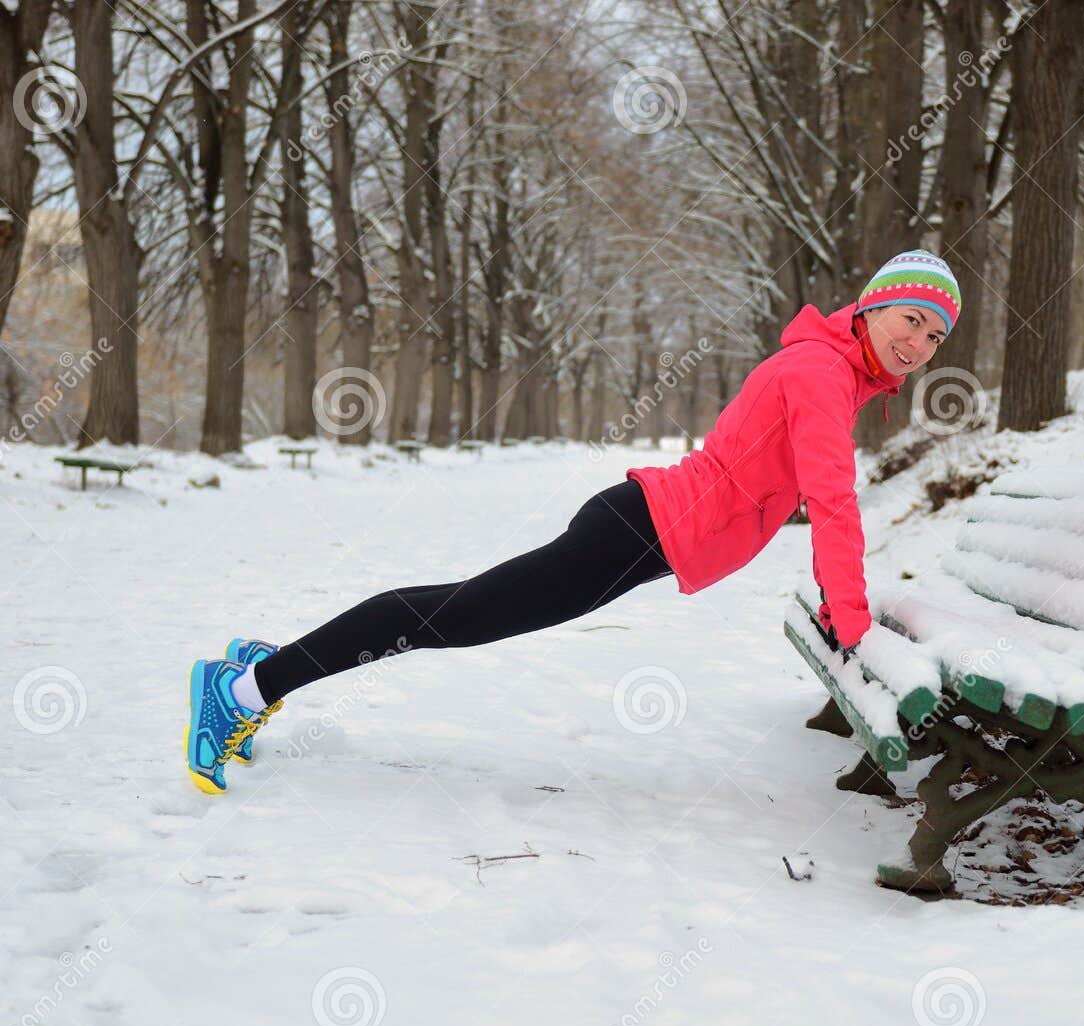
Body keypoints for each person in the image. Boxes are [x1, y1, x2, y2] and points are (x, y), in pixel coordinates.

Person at [183, 250, 961, 794]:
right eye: (911, 319)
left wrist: (838, 603)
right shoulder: (821, 372)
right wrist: (850, 621)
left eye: (935, 337)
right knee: (458, 616)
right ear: (872, 303)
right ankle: (244, 689)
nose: (919, 344)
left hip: (642, 530)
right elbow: (833, 501)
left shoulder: (836, 372)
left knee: (463, 612)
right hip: (636, 532)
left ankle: (264, 666)